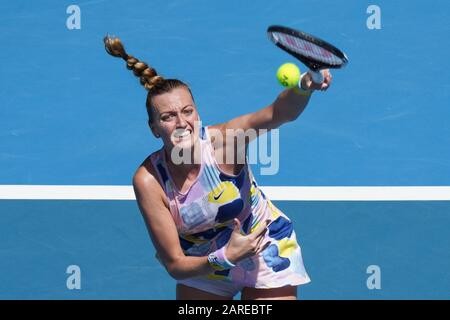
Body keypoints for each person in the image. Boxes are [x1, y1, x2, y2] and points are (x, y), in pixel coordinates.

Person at [104, 35, 332, 300]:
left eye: (187, 111)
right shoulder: (149, 181)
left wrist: (305, 86)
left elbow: (277, 114)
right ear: (154, 129)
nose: (181, 123)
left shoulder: (225, 142)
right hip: (204, 261)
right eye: (168, 117)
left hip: (262, 244)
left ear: (197, 114)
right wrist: (224, 257)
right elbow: (175, 265)